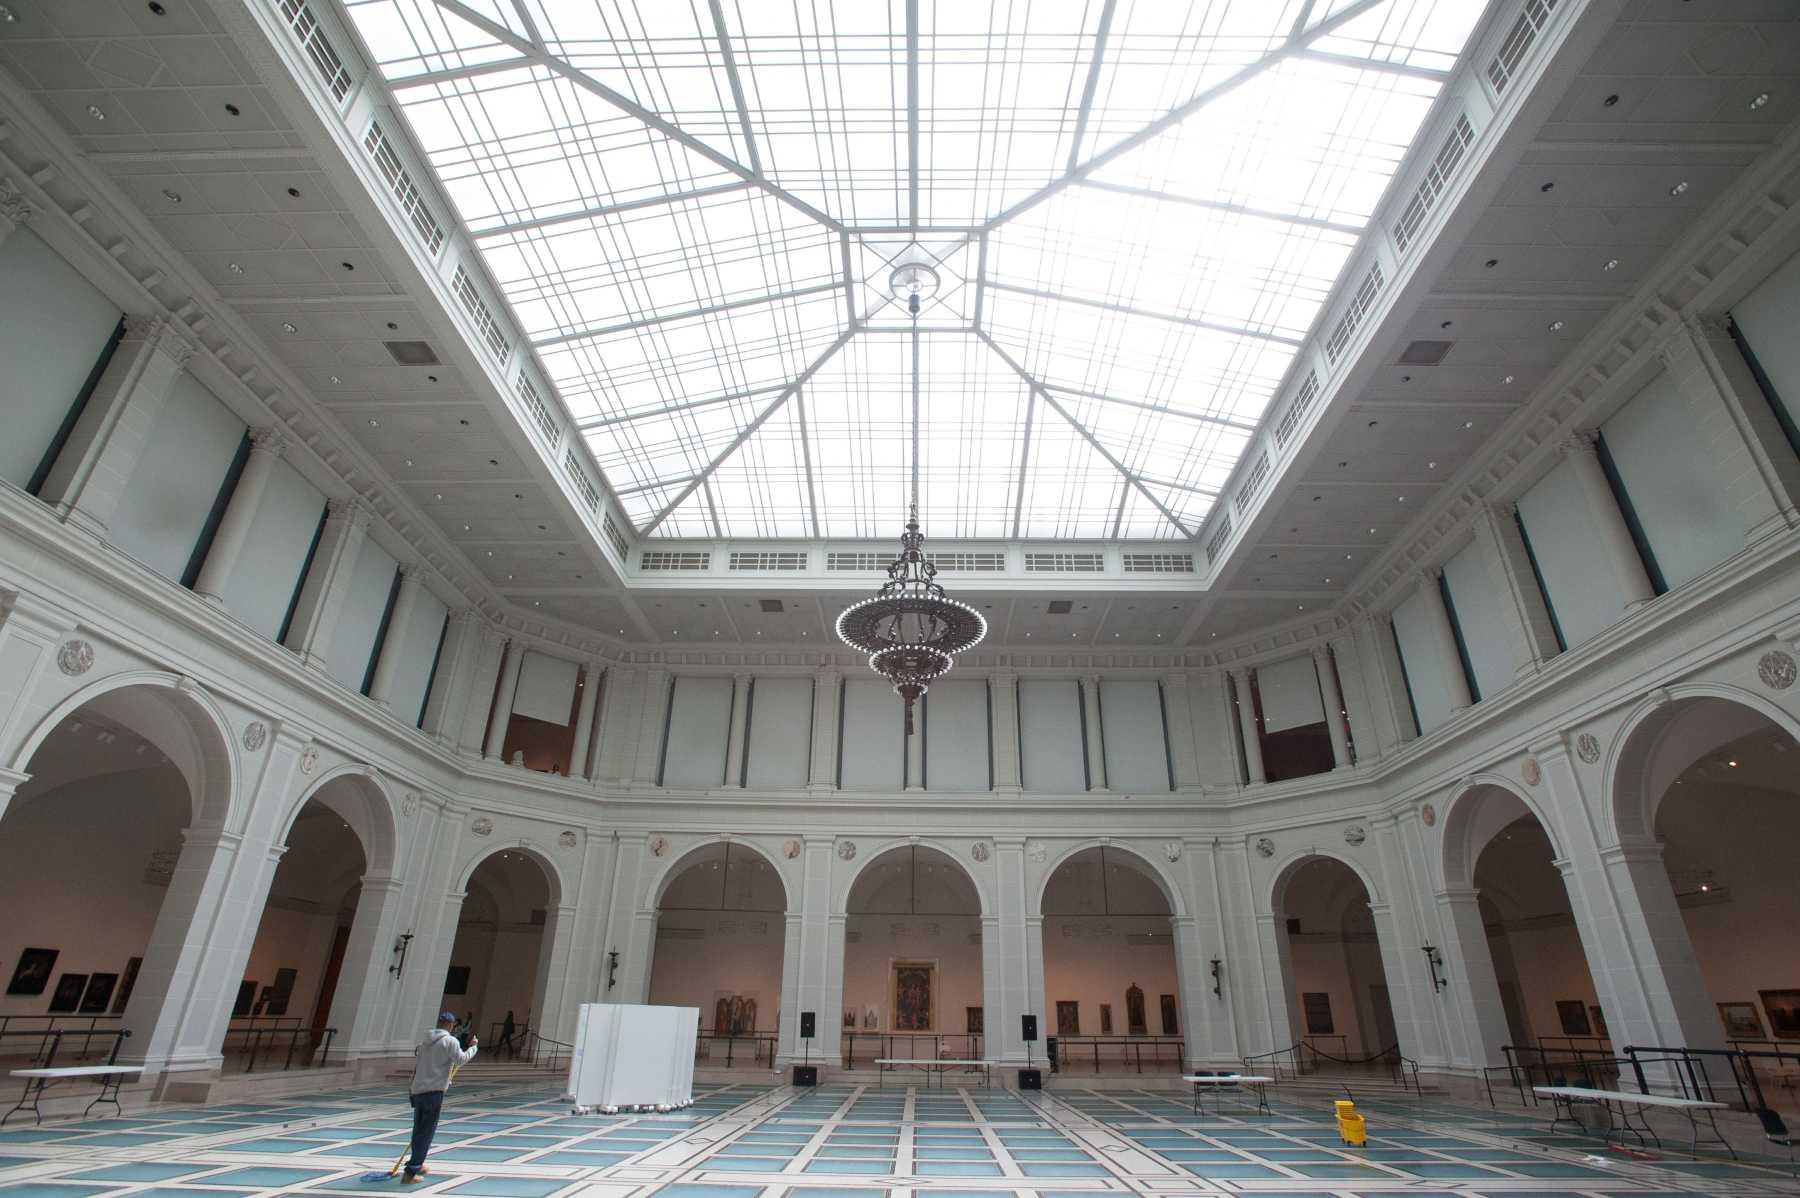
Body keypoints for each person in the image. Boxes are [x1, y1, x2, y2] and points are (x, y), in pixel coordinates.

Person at [404, 1011, 477, 1184]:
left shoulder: (425, 1041)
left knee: (419, 1129)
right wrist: (473, 1047)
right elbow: (461, 1059)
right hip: (433, 1092)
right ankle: (411, 1171)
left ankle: (417, 1163)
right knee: (426, 1132)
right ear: (452, 1025)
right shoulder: (449, 1041)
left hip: (418, 1090)